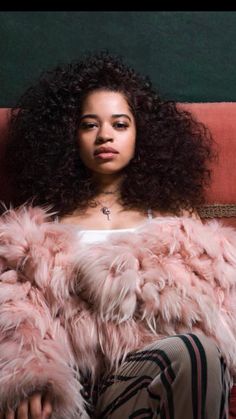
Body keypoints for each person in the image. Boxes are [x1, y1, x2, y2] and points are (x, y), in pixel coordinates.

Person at [0, 50, 235, 419]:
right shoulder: (40, 223)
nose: (105, 135)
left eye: (120, 124)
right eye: (89, 125)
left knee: (197, 353)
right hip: (79, 380)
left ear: (142, 134)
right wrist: (31, 376)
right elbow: (17, 309)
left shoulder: (174, 213)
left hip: (152, 371)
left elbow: (211, 303)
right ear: (69, 136)